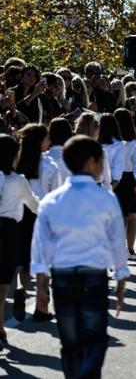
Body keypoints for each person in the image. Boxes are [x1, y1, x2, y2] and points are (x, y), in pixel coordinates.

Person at [29, 135, 128, 378]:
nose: (103, 167)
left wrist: (41, 286)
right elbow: (117, 240)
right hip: (94, 274)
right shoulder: (105, 198)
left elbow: (41, 245)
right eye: (100, 161)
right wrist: (121, 274)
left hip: (62, 275)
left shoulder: (52, 200)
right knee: (95, 336)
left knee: (70, 340)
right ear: (90, 162)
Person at [12, 124, 60, 323]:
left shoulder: (16, 163)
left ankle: (20, 289)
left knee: (21, 261)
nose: (49, 140)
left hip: (18, 214)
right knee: (42, 263)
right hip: (41, 215)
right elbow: (55, 196)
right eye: (47, 137)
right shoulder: (50, 166)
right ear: (41, 141)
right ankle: (42, 308)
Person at [0, 134, 39, 348]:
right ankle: (0, 328)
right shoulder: (18, 180)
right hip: (9, 229)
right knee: (3, 284)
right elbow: (34, 205)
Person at [113, 109, 136, 261]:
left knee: (130, 216)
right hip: (122, 179)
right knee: (127, 216)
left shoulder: (130, 140)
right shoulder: (115, 140)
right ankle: (124, 249)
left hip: (123, 179)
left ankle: (129, 250)